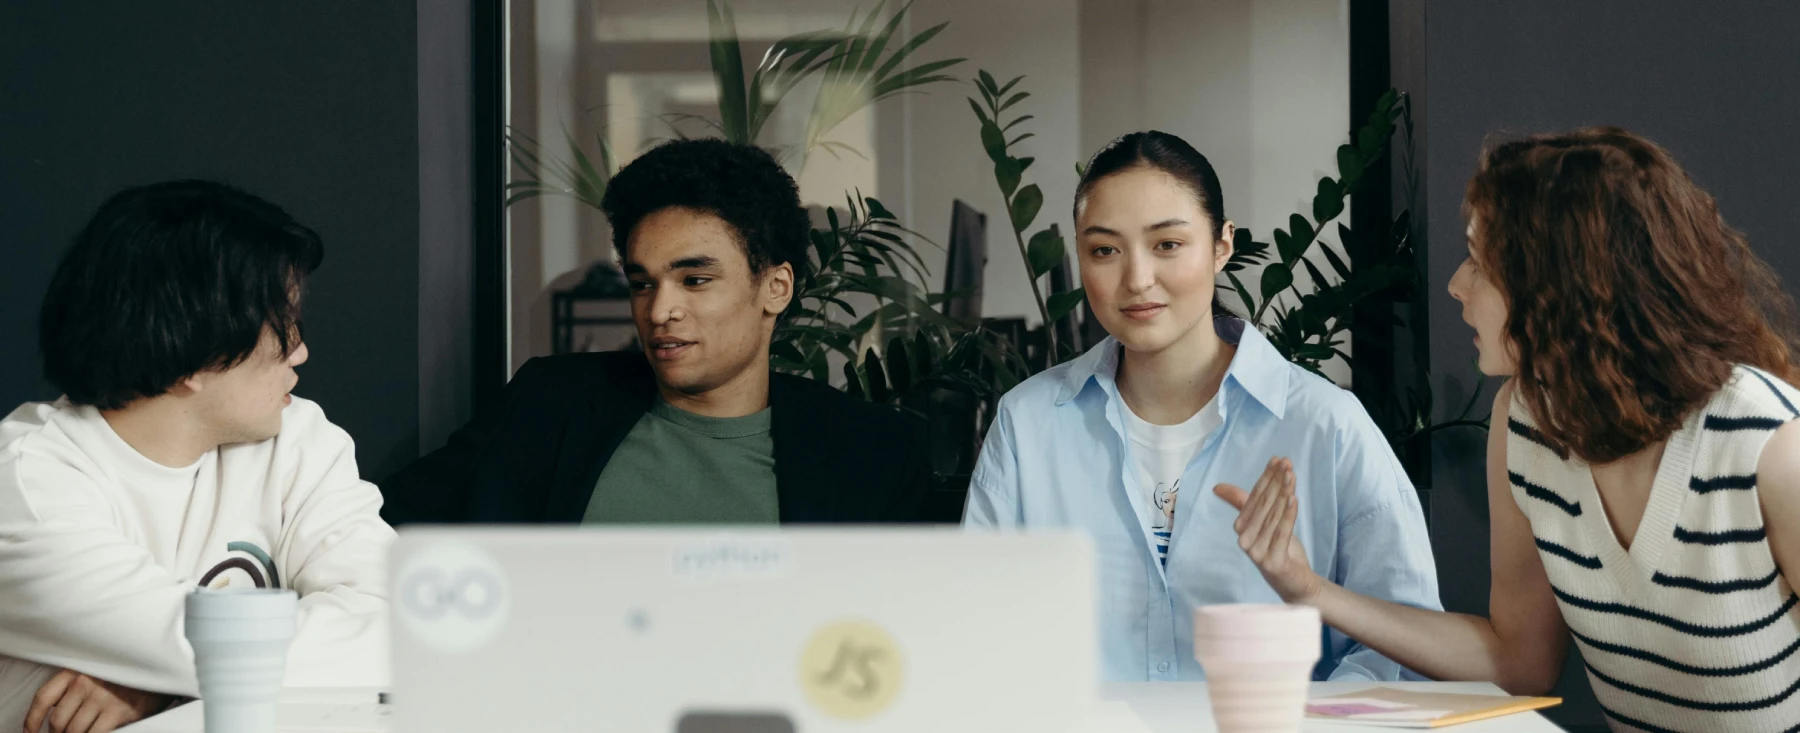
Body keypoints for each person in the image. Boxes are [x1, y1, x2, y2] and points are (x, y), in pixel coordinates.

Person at [1223, 127, 1800, 732]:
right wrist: (1311, 590)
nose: (1456, 284)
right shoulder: (1525, 420)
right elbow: (1517, 661)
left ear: (1564, 281)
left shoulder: (1770, 444)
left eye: (1480, 262)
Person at [963, 131, 1441, 682]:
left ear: (1222, 245)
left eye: (1167, 244)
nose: (1137, 279)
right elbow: (980, 637)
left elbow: (1403, 651)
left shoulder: (1326, 425)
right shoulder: (1027, 426)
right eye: (1104, 250)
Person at [0, 181, 394, 733]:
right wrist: (184, 666)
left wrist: (162, 676)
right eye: (283, 326)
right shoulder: (25, 487)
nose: (301, 351)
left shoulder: (298, 438)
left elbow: (401, 627)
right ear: (193, 356)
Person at [380, 138, 933, 526]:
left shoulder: (872, 452)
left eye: (695, 280)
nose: (659, 310)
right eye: (642, 283)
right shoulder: (549, 403)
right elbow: (384, 531)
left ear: (776, 287)